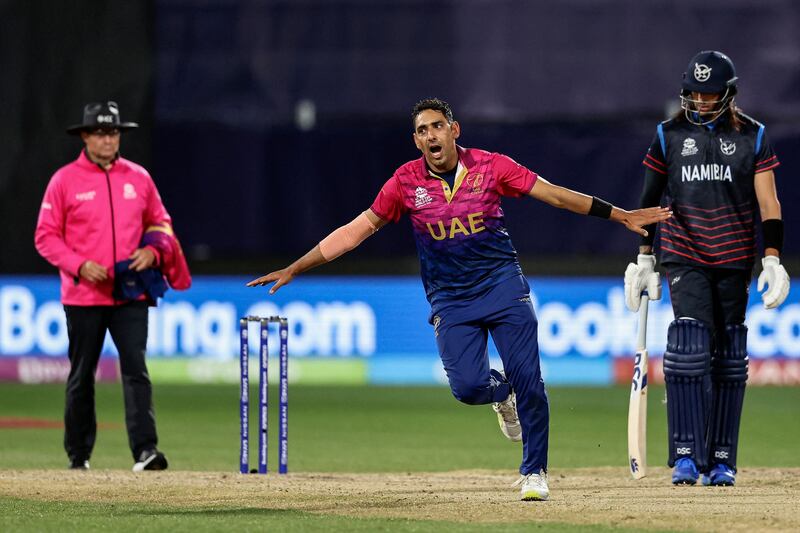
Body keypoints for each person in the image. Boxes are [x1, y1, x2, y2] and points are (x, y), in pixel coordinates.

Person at [249, 98, 671, 500]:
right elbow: (354, 232)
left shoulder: (491, 166)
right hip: (450, 301)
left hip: (503, 287)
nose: (430, 136)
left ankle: (534, 472)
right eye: (421, 131)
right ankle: (501, 395)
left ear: (454, 130)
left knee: (531, 382)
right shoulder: (404, 182)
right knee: (468, 387)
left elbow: (556, 194)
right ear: (416, 141)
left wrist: (621, 214)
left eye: (437, 127)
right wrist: (296, 267)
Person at [624, 51, 790, 486]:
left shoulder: (754, 135)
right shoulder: (668, 133)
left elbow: (769, 203)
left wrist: (771, 257)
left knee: (729, 358)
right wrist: (644, 257)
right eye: (694, 93)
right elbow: (649, 199)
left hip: (734, 258)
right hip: (684, 253)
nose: (700, 101)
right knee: (688, 349)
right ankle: (684, 455)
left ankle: (720, 459)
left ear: (728, 94)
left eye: (709, 94)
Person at [35, 101, 191, 472]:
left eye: (114, 132)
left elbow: (161, 223)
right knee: (81, 374)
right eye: (101, 132)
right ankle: (79, 454)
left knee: (136, 369)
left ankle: (145, 451)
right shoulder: (64, 181)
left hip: (130, 292)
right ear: (86, 136)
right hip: (84, 295)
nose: (109, 139)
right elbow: (45, 236)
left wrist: (153, 252)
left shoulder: (139, 178)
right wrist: (78, 265)